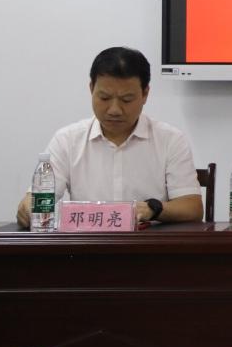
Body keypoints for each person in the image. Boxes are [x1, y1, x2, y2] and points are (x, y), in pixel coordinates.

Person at [16, 47, 204, 227]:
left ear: (145, 94)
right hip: (87, 245)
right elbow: (35, 200)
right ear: (91, 89)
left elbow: (192, 208)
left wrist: (152, 209)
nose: (114, 110)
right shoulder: (67, 140)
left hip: (147, 245)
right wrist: (28, 207)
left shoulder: (170, 140)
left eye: (126, 100)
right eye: (104, 98)